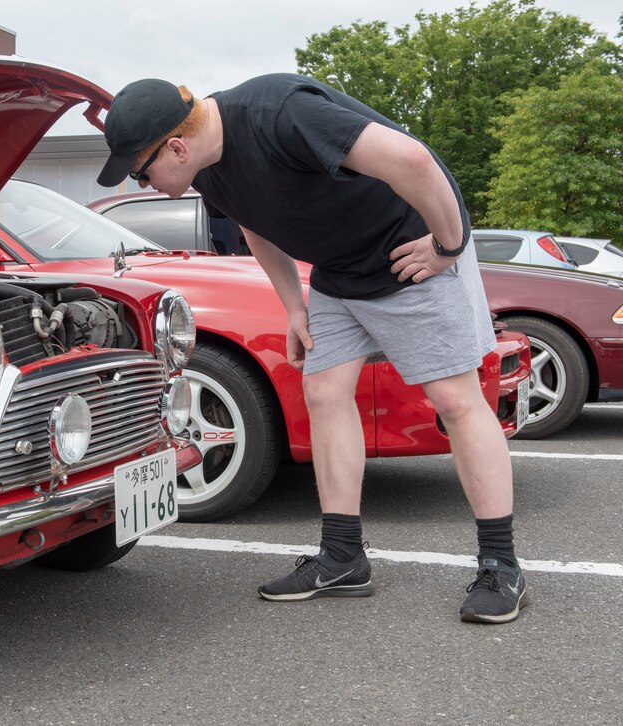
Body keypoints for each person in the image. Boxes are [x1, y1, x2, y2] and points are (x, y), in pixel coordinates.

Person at [97, 75, 528, 624]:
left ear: (176, 147)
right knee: (324, 393)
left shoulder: (282, 112)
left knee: (455, 399)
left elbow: (414, 161)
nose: (142, 184)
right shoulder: (207, 167)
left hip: (411, 255)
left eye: (142, 171)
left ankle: (500, 563)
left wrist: (449, 245)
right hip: (338, 274)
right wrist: (294, 309)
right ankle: (343, 556)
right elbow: (256, 227)